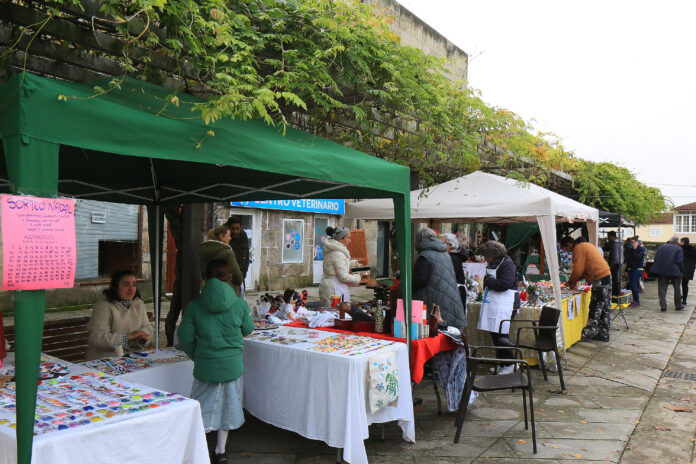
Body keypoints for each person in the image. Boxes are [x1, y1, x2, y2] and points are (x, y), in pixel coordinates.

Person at [178, 259, 254, 464]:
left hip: (206, 365)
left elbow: (184, 337)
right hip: (232, 365)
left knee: (201, 406)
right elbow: (248, 329)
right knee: (228, 406)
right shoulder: (240, 304)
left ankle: (196, 451)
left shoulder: (194, 305)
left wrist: (199, 356)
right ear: (229, 277)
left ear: (205, 278)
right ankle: (220, 451)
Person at [85, 271, 154, 360]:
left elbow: (147, 328)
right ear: (116, 286)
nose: (131, 289)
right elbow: (100, 338)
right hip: (105, 357)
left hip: (133, 355)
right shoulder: (103, 306)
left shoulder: (139, 304)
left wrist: (141, 338)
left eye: (134, 284)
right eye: (126, 284)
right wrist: (129, 336)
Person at [413, 228, 467, 332]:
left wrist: (405, 284)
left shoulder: (425, 255)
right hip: (445, 298)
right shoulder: (445, 254)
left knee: (434, 334)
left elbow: (420, 279)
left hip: (433, 300)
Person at [477, 241, 519, 375]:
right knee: (495, 333)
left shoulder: (507, 264)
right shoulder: (495, 263)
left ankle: (511, 363)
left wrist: (488, 281)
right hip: (495, 303)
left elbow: (505, 284)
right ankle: (503, 362)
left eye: (487, 256)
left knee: (501, 334)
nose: (485, 259)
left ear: (494, 254)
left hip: (507, 304)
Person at [562, 236, 612, 342]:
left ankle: (588, 333)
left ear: (569, 244)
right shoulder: (587, 245)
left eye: (566, 249)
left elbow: (578, 269)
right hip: (606, 276)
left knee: (596, 307)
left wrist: (571, 282)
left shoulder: (578, 248)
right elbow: (583, 269)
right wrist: (573, 280)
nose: (568, 251)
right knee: (605, 307)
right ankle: (604, 333)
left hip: (599, 278)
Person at [318, 226, 362, 307]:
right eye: (348, 238)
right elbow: (343, 276)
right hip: (334, 288)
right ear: (341, 239)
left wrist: (353, 264)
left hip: (330, 285)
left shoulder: (334, 250)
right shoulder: (338, 253)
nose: (350, 241)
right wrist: (357, 277)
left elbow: (338, 265)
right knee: (337, 313)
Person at [199, 225, 244, 297]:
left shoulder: (202, 250)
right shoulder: (227, 253)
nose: (230, 238)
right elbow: (237, 277)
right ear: (221, 236)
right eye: (228, 235)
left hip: (208, 290)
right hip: (226, 293)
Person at [652, 236, 684, 311]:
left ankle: (663, 306)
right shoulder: (679, 249)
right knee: (677, 288)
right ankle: (678, 305)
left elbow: (656, 258)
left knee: (662, 288)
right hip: (675, 271)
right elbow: (680, 261)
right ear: (677, 242)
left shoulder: (661, 247)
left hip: (663, 271)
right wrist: (682, 270)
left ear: (670, 240)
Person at [225, 216, 250, 297]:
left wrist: (243, 274)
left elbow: (246, 256)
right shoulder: (223, 237)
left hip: (240, 276)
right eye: (232, 228)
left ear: (241, 227)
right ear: (228, 227)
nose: (235, 231)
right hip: (227, 279)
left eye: (237, 228)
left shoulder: (243, 235)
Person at [442, 232, 468, 308]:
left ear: (449, 245)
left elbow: (450, 275)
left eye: (443, 243)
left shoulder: (453, 257)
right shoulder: (453, 256)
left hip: (456, 292)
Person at [625, 238, 646, 307]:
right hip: (630, 269)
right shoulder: (630, 250)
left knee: (634, 285)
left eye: (633, 243)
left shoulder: (641, 250)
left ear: (637, 243)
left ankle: (637, 301)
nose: (632, 244)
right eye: (631, 243)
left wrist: (634, 250)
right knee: (632, 285)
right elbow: (629, 260)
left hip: (637, 269)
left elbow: (637, 258)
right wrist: (626, 269)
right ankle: (635, 300)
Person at [603, 231, 623, 297]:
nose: (608, 238)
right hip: (619, 263)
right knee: (616, 279)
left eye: (608, 236)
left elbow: (615, 256)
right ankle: (616, 294)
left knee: (613, 280)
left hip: (615, 264)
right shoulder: (620, 243)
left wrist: (611, 265)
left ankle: (614, 295)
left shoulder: (614, 244)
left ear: (612, 236)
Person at [680, 237, 696, 305]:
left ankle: (679, 296)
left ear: (683, 242)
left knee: (676, 284)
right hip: (689, 270)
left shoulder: (681, 249)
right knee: (685, 285)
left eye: (681, 241)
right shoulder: (693, 249)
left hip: (680, 268)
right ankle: (684, 300)